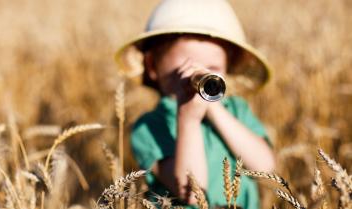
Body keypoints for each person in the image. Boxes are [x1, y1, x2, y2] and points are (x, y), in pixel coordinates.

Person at [115, 0, 275, 208]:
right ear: (152, 66)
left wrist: (214, 108)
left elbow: (265, 167)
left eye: (212, 67)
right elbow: (192, 192)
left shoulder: (236, 110)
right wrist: (188, 119)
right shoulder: (149, 128)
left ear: (228, 65)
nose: (201, 74)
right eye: (186, 68)